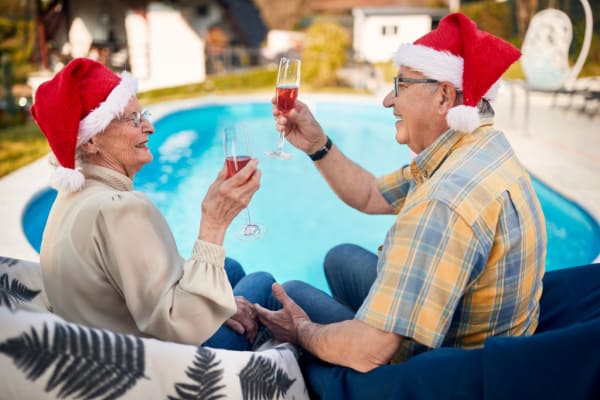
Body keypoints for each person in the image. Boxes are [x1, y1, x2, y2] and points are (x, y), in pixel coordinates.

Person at [255, 12, 547, 386]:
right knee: (339, 257)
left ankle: (339, 341)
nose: (387, 99)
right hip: (492, 347)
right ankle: (360, 320)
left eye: (401, 85)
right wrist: (317, 144)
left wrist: (301, 332)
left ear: (444, 95)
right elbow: (369, 193)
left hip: (436, 376)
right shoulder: (477, 149)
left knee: (287, 294)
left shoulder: (444, 202)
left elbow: (370, 350)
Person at [30, 57, 271, 351]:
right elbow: (177, 323)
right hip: (152, 362)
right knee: (263, 283)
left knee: (228, 269)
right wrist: (214, 223)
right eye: (133, 120)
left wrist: (222, 303)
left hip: (100, 342)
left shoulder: (73, 197)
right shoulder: (118, 208)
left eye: (142, 114)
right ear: (91, 140)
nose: (150, 127)